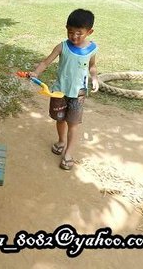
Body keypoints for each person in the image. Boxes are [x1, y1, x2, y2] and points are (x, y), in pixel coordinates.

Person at [29, 9, 99, 171]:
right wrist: (36, 72)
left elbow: (92, 66)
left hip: (78, 94)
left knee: (73, 124)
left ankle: (68, 153)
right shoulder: (62, 47)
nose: (74, 36)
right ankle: (61, 141)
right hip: (59, 92)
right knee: (60, 119)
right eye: (70, 32)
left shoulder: (92, 49)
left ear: (89, 32)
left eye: (79, 33)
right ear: (66, 28)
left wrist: (94, 78)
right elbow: (46, 62)